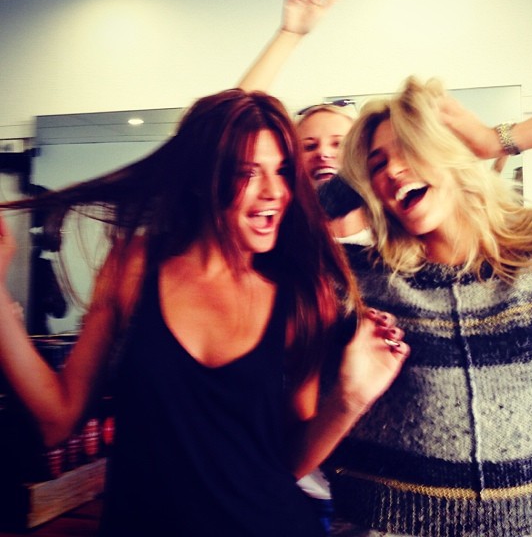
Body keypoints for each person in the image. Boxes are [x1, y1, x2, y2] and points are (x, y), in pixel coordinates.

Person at [0, 89, 409, 536]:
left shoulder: (301, 292)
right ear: (201, 179)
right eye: (247, 172)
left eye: (282, 171)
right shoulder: (134, 265)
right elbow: (57, 419)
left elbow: (286, 461)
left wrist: (350, 399)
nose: (274, 192)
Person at [324, 77, 532, 536]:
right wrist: (355, 179)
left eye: (411, 147)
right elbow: (270, 229)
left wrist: (499, 139)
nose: (392, 169)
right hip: (395, 525)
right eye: (378, 165)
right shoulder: (358, 280)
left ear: (453, 151)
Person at [238, 0, 369, 243]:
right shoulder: (276, 237)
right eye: (308, 146)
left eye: (339, 144)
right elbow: (231, 120)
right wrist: (290, 33)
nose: (323, 153)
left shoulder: (397, 232)